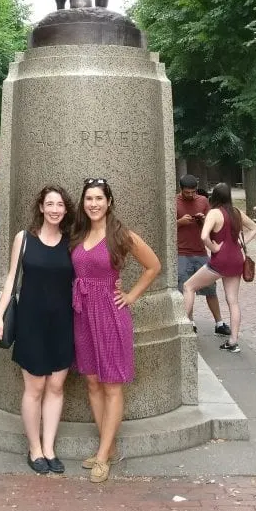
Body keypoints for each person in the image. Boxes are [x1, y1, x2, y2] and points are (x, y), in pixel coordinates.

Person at [71, 177, 161, 483]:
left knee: (111, 384)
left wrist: (131, 295)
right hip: (82, 314)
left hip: (110, 314)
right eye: (88, 199)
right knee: (93, 383)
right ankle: (107, 450)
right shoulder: (79, 232)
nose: (93, 204)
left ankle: (102, 455)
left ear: (109, 201)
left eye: (99, 198)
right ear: (83, 203)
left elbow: (153, 266)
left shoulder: (120, 234)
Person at [0, 186, 76, 475]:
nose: (54, 209)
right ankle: (34, 448)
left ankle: (49, 447)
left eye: (59, 205)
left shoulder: (72, 242)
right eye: (49, 204)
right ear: (40, 207)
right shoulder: (23, 239)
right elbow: (12, 279)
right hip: (31, 322)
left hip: (63, 322)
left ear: (65, 210)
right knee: (35, 388)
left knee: (56, 387)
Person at [182, 182, 256, 354]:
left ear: (214, 196)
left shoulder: (214, 213)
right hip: (237, 259)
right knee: (233, 300)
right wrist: (241, 243)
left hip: (220, 260)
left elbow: (203, 236)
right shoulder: (236, 213)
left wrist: (214, 247)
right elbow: (255, 227)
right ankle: (233, 341)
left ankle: (184, 330)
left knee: (189, 286)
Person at [176, 174, 229, 336]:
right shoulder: (173, 202)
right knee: (185, 290)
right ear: (181, 189)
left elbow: (212, 225)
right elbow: (166, 228)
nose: (191, 195)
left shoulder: (203, 201)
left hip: (201, 252)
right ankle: (189, 322)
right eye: (187, 193)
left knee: (210, 289)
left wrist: (203, 220)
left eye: (193, 192)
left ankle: (219, 323)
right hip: (182, 253)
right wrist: (179, 222)